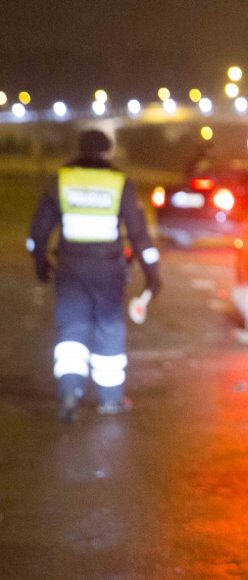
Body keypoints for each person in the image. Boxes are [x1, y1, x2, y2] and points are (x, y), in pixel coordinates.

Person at [27, 129, 162, 423]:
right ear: (107, 152)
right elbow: (138, 235)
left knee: (72, 330)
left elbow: (38, 232)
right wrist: (152, 274)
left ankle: (69, 391)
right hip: (107, 269)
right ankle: (111, 399)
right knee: (108, 329)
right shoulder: (119, 182)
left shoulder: (60, 179)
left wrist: (40, 262)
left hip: (70, 267)